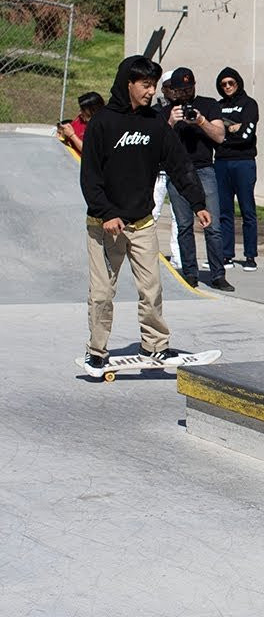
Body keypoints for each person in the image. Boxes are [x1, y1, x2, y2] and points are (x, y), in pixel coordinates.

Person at [78, 55, 211, 377]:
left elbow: (179, 164)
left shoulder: (155, 124)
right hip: (104, 226)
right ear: (128, 84)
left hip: (141, 223)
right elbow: (90, 175)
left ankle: (155, 344)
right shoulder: (103, 123)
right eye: (145, 85)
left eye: (153, 86)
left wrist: (197, 202)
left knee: (151, 289)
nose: (151, 92)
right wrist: (106, 212)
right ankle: (96, 351)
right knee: (101, 294)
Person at [161, 66, 234, 291]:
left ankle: (217, 274)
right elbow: (156, 142)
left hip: (204, 169)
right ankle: (190, 273)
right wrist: (171, 122)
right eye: (181, 89)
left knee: (212, 225)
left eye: (189, 87)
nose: (185, 93)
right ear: (172, 90)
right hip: (177, 172)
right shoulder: (164, 111)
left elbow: (220, 136)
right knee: (184, 225)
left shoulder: (208, 104)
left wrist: (201, 121)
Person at [215, 66, 260, 271]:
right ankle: (226, 255)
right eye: (223, 84)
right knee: (224, 211)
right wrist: (232, 129)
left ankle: (250, 255)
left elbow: (246, 136)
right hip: (222, 163)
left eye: (230, 83)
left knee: (247, 210)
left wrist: (226, 134)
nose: (227, 87)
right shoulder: (217, 106)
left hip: (244, 162)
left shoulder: (249, 104)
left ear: (238, 83)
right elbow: (214, 136)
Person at [150, 70, 183, 271]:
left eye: (178, 87)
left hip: (178, 170)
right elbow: (156, 139)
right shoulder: (155, 111)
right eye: (171, 87)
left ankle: (178, 260)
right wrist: (170, 121)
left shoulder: (187, 110)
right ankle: (148, 255)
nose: (175, 91)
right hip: (159, 172)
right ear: (163, 89)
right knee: (151, 213)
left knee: (179, 217)